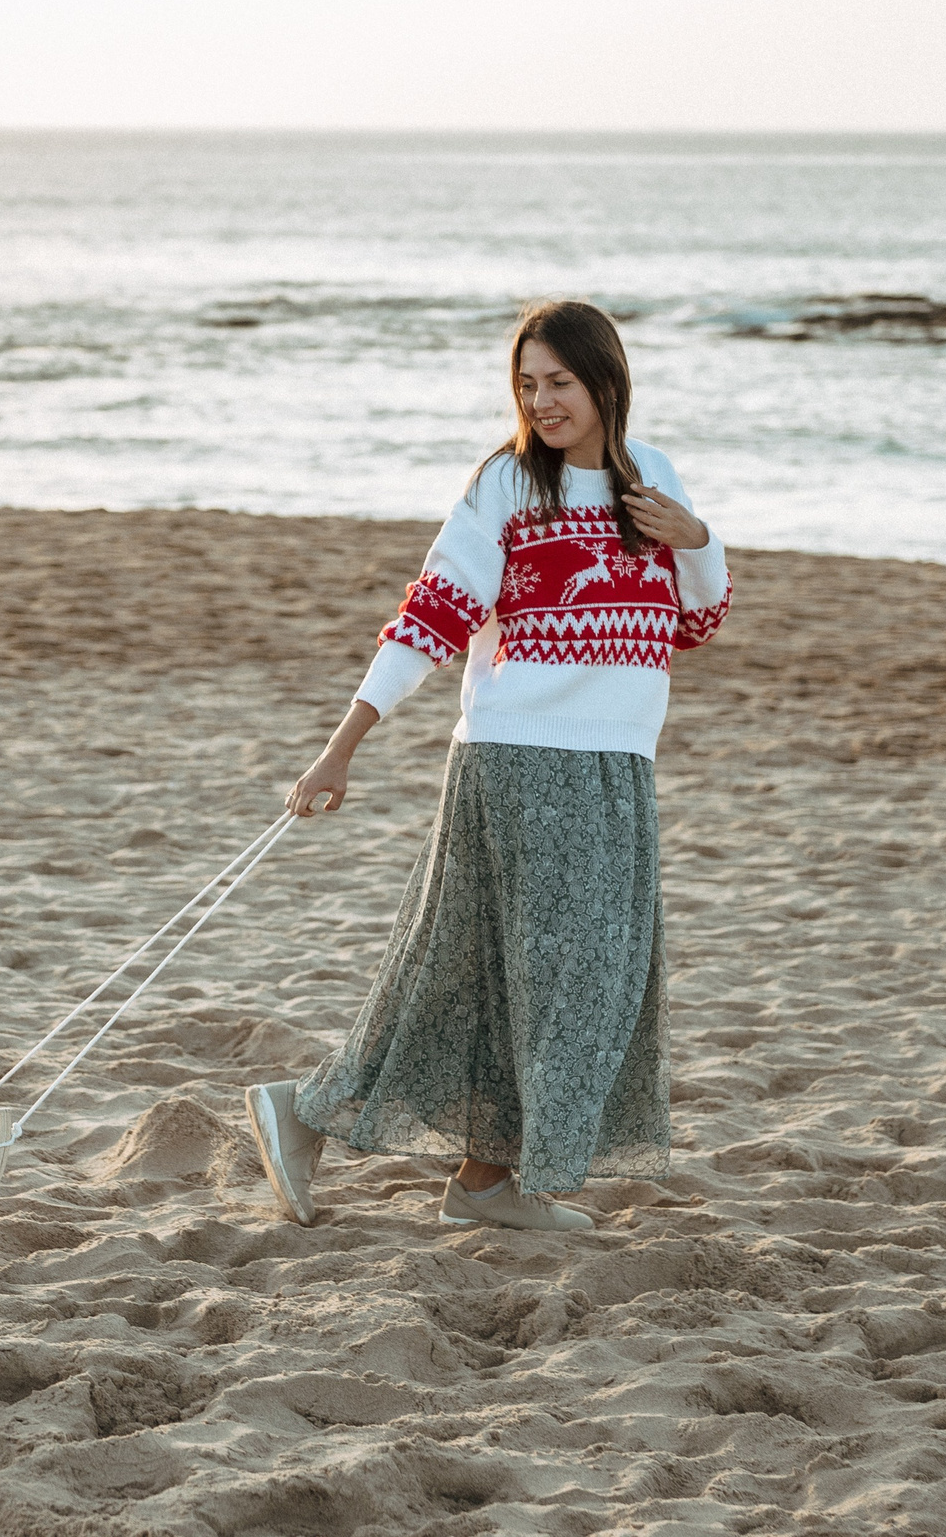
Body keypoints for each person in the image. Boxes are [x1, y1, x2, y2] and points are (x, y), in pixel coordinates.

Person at [245, 299, 730, 1233]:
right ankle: (313, 1116)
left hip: (620, 764)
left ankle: (481, 1185)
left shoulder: (654, 480)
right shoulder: (506, 486)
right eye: (527, 385)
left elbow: (696, 623)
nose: (542, 401)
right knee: (554, 978)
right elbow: (429, 618)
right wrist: (342, 745)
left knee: (527, 979)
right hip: (518, 763)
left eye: (559, 382)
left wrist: (695, 540)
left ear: (606, 380)